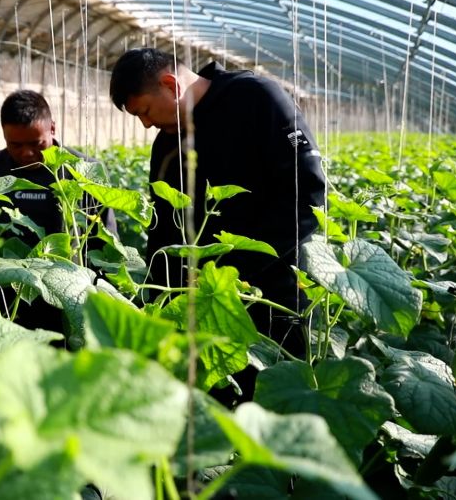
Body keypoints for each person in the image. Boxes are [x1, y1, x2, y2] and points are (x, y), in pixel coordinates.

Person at [109, 48, 326, 396]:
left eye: (145, 111)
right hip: (202, 310)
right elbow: (164, 233)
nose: (146, 124)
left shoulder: (257, 98)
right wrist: (154, 304)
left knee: (271, 401)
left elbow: (307, 195)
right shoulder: (167, 146)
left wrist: (235, 270)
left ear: (170, 84)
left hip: (270, 299)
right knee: (212, 405)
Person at [0, 89, 117, 339]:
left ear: (52, 128)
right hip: (3, 302)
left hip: (68, 302)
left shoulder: (84, 171)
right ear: (4, 134)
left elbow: (107, 247)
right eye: (15, 145)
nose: (26, 153)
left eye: (36, 144)